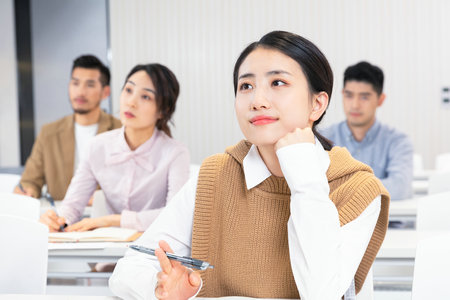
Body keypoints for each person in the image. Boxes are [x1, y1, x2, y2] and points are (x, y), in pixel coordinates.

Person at [109, 31, 390, 300]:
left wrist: (303, 176)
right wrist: (161, 289)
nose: (257, 101)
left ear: (317, 104)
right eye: (246, 86)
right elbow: (131, 265)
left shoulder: (358, 188)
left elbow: (320, 294)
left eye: (278, 83)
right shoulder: (215, 175)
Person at [39, 63, 190, 232]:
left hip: (155, 247)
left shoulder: (176, 153)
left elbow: (175, 215)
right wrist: (57, 219)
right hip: (108, 249)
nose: (131, 102)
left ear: (163, 110)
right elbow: (72, 205)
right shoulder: (97, 146)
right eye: (128, 90)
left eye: (145, 97)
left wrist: (112, 220)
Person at [14, 55, 122, 200]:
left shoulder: (120, 130)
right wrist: (28, 191)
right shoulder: (49, 133)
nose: (80, 92)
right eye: (75, 83)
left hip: (104, 218)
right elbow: (30, 180)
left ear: (105, 92)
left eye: (90, 85)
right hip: (60, 217)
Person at [321, 61, 413, 200]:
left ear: (380, 100)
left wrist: (342, 188)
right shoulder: (323, 138)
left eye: (364, 97)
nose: (355, 105)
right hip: (339, 221)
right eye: (349, 95)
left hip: (388, 221)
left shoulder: (398, 141)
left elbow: (400, 188)